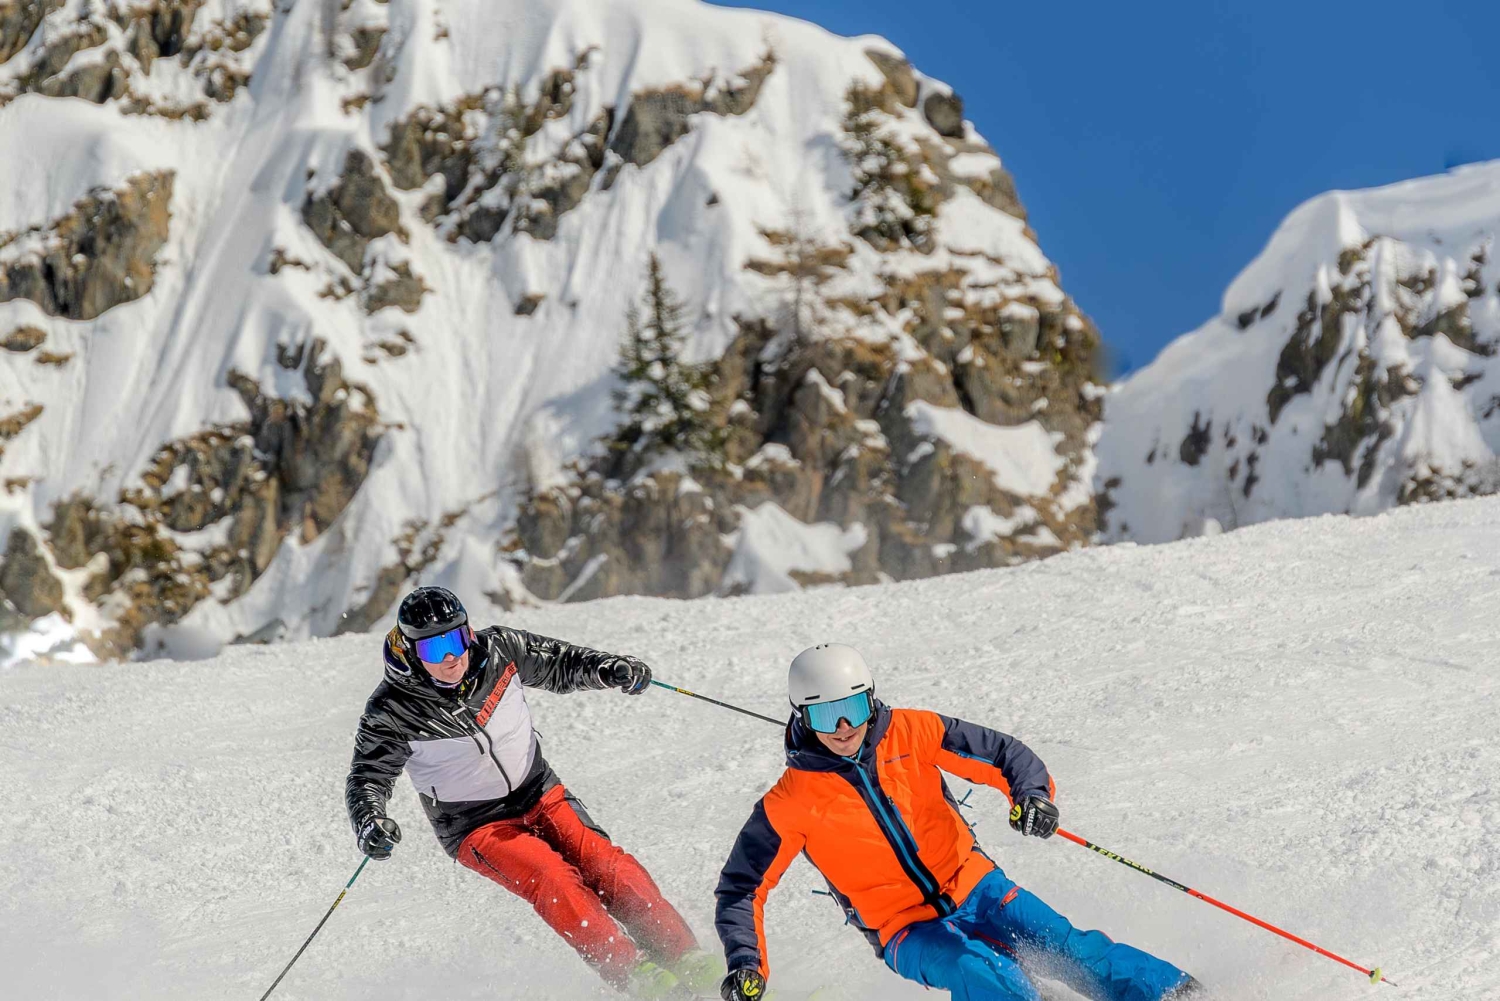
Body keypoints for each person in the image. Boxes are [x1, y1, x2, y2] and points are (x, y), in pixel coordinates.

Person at [714, 643, 1202, 1001]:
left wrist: (1030, 796)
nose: (844, 729)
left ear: (871, 699)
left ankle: (1178, 995)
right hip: (904, 930)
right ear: (802, 715)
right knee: (983, 973)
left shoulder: (913, 731)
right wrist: (745, 963)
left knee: (1070, 950)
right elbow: (741, 889)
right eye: (826, 716)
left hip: (976, 885)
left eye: (854, 709)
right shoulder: (789, 801)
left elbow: (1003, 753)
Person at [345, 586, 719, 998]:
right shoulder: (393, 709)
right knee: (553, 877)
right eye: (433, 650)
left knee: (605, 864)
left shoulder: (501, 651)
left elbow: (561, 662)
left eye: (454, 640)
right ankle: (636, 974)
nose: (449, 657)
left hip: (539, 790)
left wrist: (606, 669)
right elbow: (367, 777)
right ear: (412, 652)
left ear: (468, 633)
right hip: (474, 824)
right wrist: (370, 818)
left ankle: (685, 956)